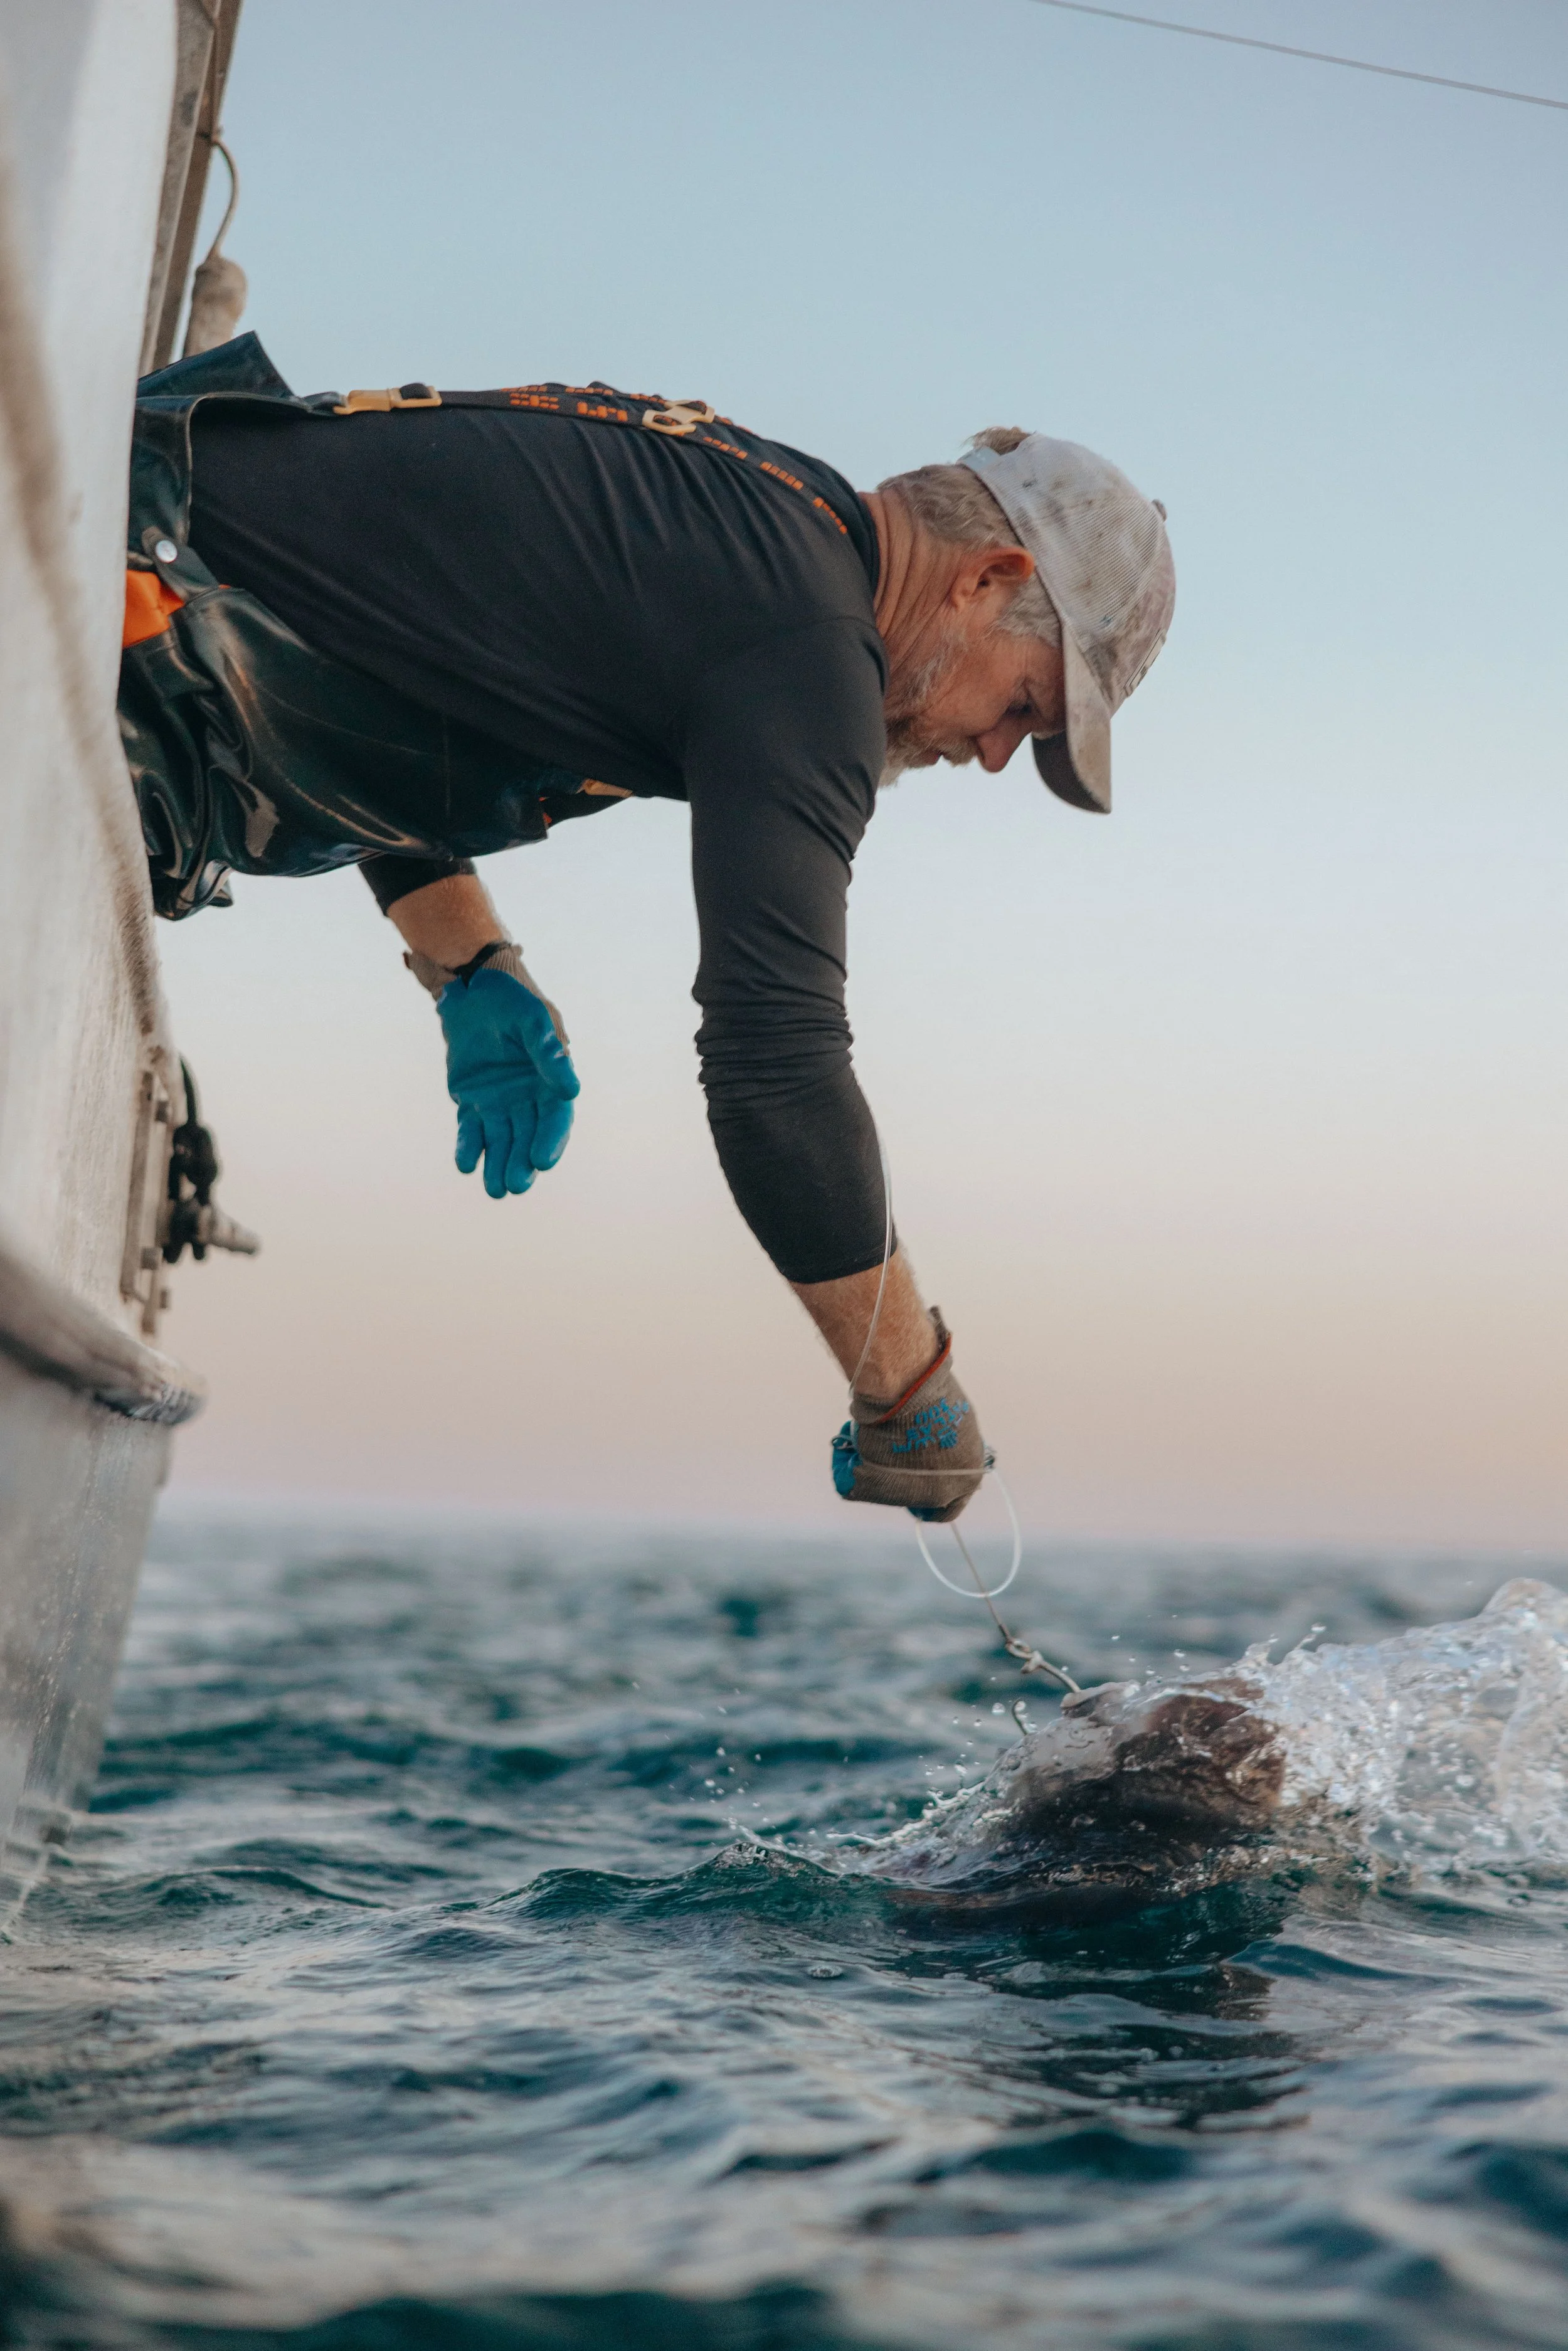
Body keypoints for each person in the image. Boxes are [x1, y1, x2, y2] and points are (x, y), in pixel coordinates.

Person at [120, 338, 1174, 1523]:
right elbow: (775, 1063)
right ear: (987, 577)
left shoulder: (765, 520)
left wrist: (470, 963)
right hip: (98, 617)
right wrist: (910, 1392)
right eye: (1021, 707)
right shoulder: (811, 647)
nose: (990, 755)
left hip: (129, 530)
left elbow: (377, 639)